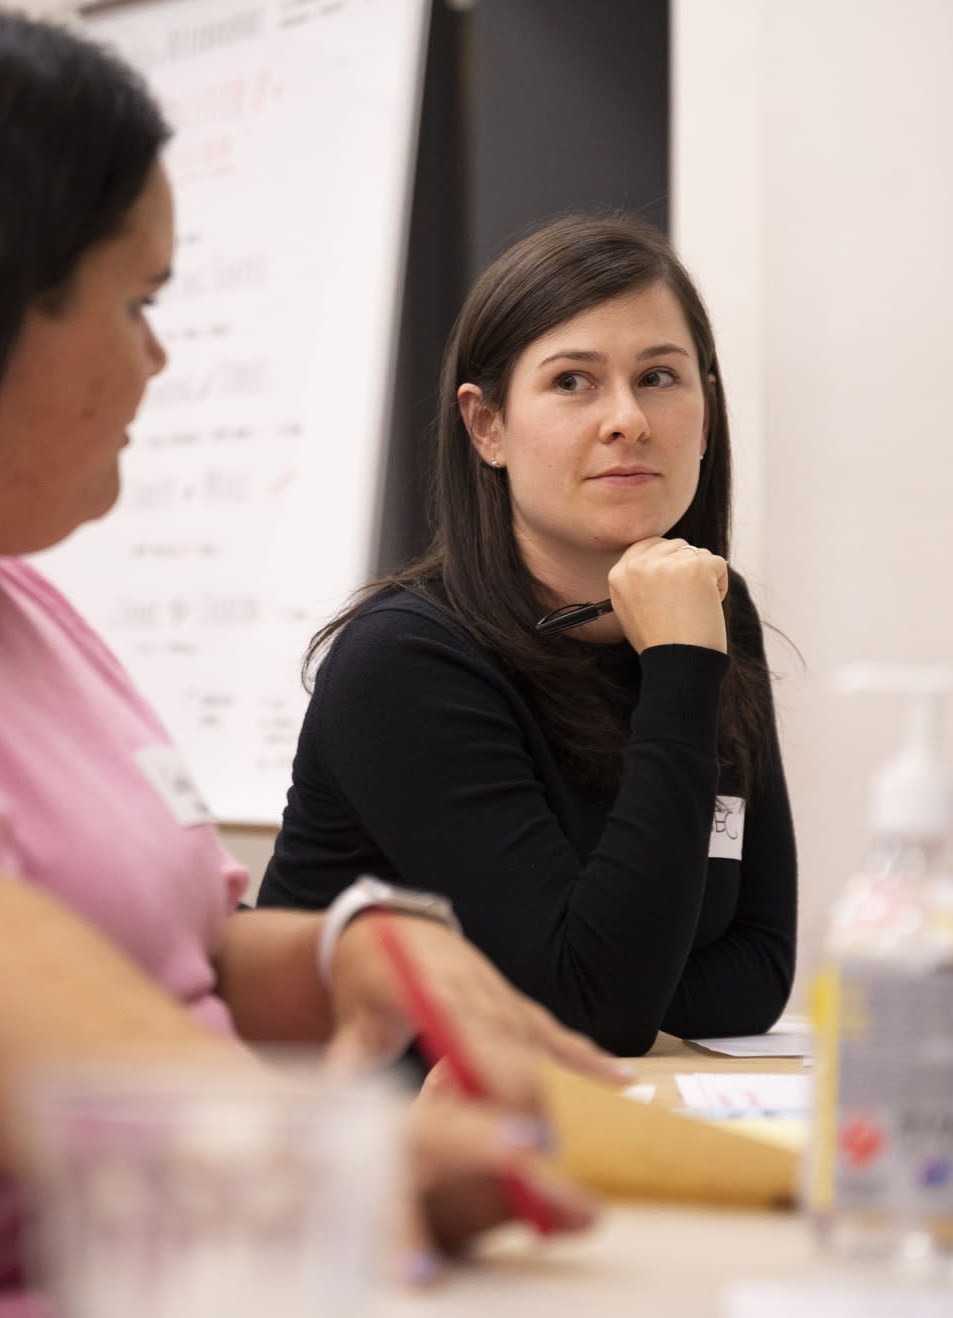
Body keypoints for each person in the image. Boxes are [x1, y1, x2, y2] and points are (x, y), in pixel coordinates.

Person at [0, 5, 621, 1314]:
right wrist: (320, 1167)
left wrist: (342, 947)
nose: (159, 354)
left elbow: (166, 949)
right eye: (135, 300)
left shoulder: (16, 598)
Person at [258, 214, 798, 1058]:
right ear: (487, 427)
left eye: (659, 376)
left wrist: (606, 984)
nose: (627, 419)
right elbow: (593, 1009)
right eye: (574, 383)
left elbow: (759, 971)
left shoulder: (707, 617)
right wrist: (681, 673)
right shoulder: (404, 661)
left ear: (707, 406)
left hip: (565, 1128)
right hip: (362, 1156)